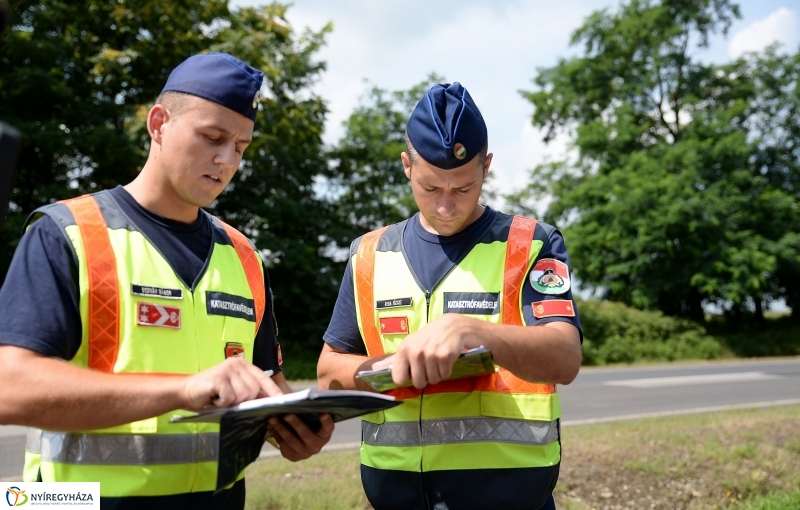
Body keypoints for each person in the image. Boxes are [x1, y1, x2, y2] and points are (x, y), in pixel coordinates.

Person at [0, 52, 333, 509]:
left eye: (240, 146)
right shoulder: (67, 233)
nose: (226, 159)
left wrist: (293, 428)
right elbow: (10, 386)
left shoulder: (244, 257)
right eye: (212, 137)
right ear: (158, 123)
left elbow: (267, 383)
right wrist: (182, 390)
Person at [317, 82, 583, 510]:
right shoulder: (369, 254)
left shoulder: (531, 243)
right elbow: (329, 371)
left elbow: (565, 356)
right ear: (406, 165)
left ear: (487, 167)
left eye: (462, 189)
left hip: (511, 498)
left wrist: (475, 332)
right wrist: (396, 368)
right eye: (429, 188)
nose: (446, 206)